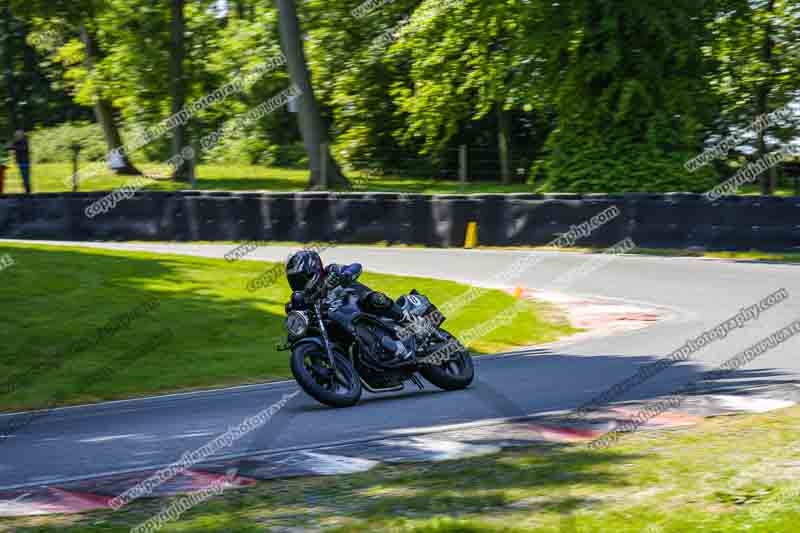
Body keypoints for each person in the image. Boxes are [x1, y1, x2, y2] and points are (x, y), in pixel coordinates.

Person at [285, 250, 413, 360]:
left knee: (375, 299)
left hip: (360, 306)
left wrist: (345, 274)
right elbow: (297, 324)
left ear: (312, 270)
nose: (298, 284)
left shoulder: (331, 271)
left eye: (300, 279)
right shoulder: (302, 299)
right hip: (338, 323)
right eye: (294, 280)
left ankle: (406, 319)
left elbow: (356, 266)